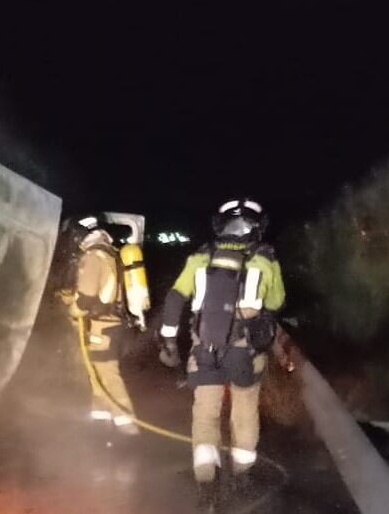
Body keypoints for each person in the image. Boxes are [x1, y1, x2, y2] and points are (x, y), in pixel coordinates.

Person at [158, 199, 285, 495]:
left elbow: (176, 298)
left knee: (205, 414)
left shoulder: (201, 257)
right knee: (244, 411)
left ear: (221, 225)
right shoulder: (265, 259)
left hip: (205, 351)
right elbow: (277, 302)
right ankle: (242, 475)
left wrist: (169, 341)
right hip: (247, 353)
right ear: (256, 226)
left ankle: (206, 483)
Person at [71, 215, 141, 435]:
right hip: (111, 324)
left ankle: (128, 427)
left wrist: (73, 311)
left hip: (102, 325)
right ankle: (101, 425)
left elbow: (86, 296)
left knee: (107, 374)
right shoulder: (112, 254)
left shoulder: (93, 257)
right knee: (97, 374)